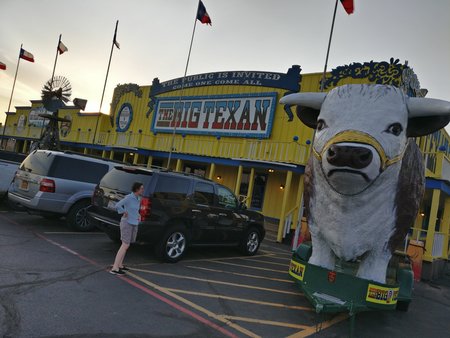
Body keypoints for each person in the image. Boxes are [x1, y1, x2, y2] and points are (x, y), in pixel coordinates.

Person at [110, 182, 144, 275]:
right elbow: (117, 205)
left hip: (134, 223)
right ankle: (114, 268)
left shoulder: (138, 198)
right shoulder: (129, 197)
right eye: (141, 188)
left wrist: (138, 215)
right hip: (126, 223)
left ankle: (120, 265)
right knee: (125, 245)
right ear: (137, 189)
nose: (143, 190)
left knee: (127, 245)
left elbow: (134, 210)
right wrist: (123, 211)